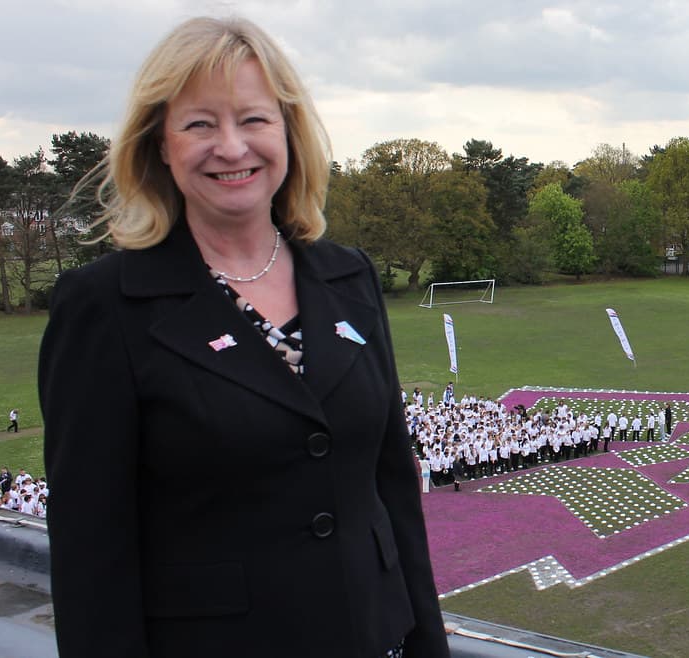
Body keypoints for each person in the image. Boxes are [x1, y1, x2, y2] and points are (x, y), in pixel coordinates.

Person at [38, 16, 448, 658]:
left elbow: (391, 487)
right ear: (159, 145)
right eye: (200, 124)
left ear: (288, 131)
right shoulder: (104, 305)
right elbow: (92, 549)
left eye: (253, 119)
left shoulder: (350, 277)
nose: (232, 147)